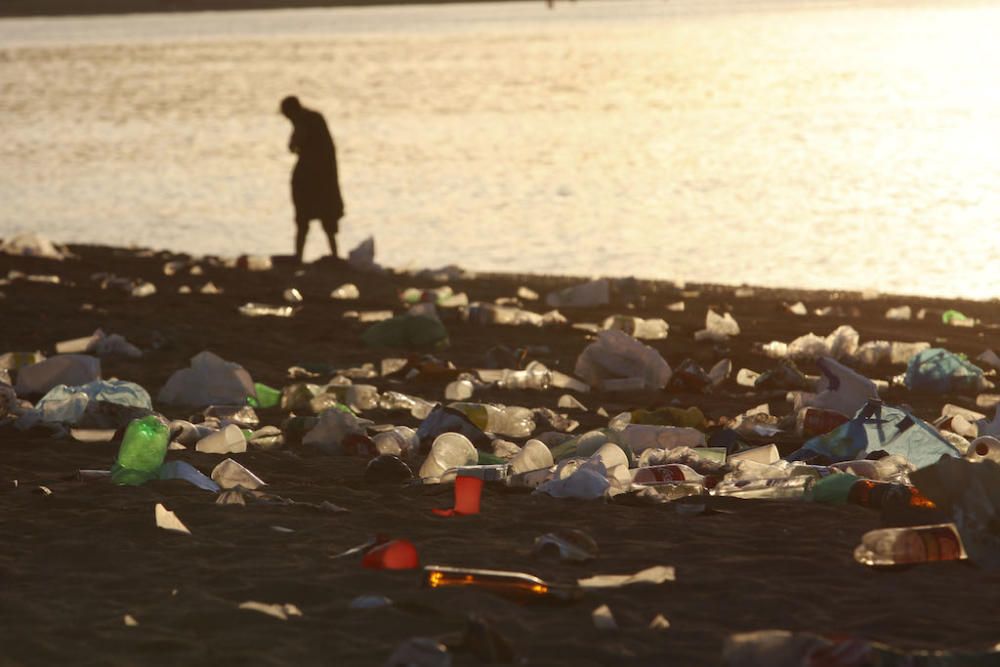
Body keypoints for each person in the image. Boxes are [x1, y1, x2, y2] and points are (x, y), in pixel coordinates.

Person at [280, 95, 345, 263]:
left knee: (305, 219)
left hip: (312, 179)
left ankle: (299, 256)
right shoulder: (313, 118)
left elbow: (293, 145)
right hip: (322, 177)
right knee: (325, 218)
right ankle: (334, 255)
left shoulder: (304, 121)